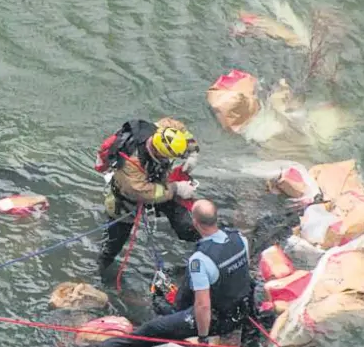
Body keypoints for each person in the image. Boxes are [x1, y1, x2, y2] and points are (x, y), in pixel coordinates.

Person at [91, 200, 253, 347]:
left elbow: (203, 306)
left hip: (218, 320)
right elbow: (242, 275)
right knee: (169, 306)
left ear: (195, 222)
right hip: (241, 310)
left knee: (151, 329)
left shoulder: (200, 260)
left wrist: (203, 337)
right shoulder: (239, 239)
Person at [96, 117, 201, 275]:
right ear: (157, 151)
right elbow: (142, 191)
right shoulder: (131, 163)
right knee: (113, 245)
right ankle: (102, 270)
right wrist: (176, 188)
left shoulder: (162, 130)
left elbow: (180, 129)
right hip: (127, 201)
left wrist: (193, 152)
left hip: (160, 183)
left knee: (186, 225)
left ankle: (207, 246)